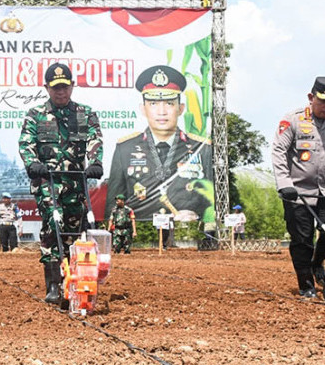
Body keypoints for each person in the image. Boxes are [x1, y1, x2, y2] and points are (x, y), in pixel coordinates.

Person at [19, 63, 104, 305]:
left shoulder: (85, 114)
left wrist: (95, 163)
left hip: (77, 182)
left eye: (65, 87)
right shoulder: (35, 115)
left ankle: (76, 279)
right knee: (51, 225)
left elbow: (94, 140)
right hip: (48, 182)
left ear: (72, 86)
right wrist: (33, 164)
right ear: (46, 88)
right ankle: (54, 285)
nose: (61, 92)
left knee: (75, 231)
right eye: (56, 88)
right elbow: (26, 144)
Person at [272, 76, 325, 299]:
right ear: (311, 97)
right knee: (302, 240)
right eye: (324, 101)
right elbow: (278, 152)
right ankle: (306, 285)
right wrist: (285, 184)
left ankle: (317, 262)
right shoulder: (293, 120)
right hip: (297, 192)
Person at [105, 65, 213, 222]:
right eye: (153, 104)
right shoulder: (125, 149)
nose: (161, 111)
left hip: (187, 236)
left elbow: (212, 203)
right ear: (143, 109)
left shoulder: (202, 149)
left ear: (181, 108)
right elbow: (112, 207)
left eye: (169, 103)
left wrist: (196, 217)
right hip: (139, 238)